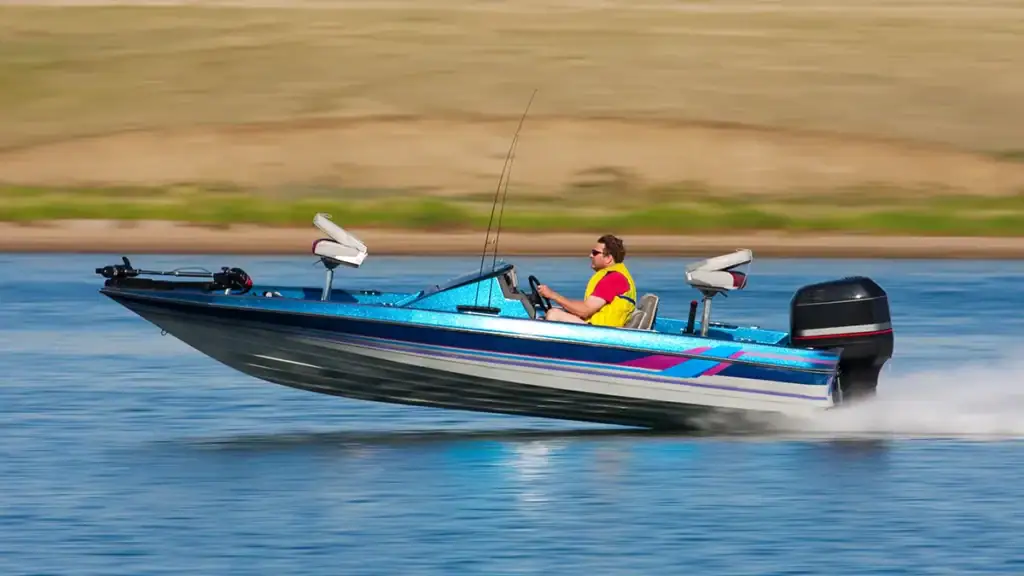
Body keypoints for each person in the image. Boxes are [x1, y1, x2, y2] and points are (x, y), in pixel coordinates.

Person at [537, 234, 637, 328]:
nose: (590, 256)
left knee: (554, 314)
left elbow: (585, 311)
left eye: (595, 253)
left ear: (608, 258)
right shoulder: (617, 276)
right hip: (599, 328)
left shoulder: (614, 279)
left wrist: (552, 295)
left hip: (601, 332)